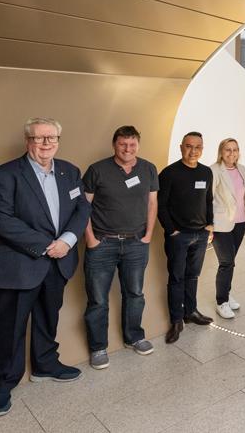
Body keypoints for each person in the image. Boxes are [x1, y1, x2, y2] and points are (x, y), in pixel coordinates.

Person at [0, 118, 91, 417]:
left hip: (59, 261)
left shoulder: (70, 171)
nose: (47, 143)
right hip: (19, 265)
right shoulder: (3, 176)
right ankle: (1, 383)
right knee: (10, 326)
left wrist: (68, 241)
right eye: (40, 138)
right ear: (27, 140)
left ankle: (45, 364)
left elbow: (83, 208)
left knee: (48, 316)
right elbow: (2, 220)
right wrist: (48, 245)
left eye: (52, 137)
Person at [83, 125, 158, 370]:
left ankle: (134, 336)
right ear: (114, 144)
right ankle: (98, 347)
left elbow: (152, 203)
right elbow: (83, 208)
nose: (128, 148)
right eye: (123, 144)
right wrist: (90, 239)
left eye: (132, 144)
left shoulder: (148, 169)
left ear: (138, 144)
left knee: (135, 293)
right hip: (103, 243)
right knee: (98, 299)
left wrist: (148, 234)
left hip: (136, 243)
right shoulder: (97, 170)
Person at [158, 131, 214, 344]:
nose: (193, 151)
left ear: (202, 148)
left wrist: (209, 226)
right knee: (176, 278)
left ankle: (190, 312)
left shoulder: (206, 172)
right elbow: (160, 205)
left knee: (193, 276)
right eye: (189, 146)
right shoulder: (170, 173)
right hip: (178, 237)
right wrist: (171, 230)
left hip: (200, 235)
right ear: (181, 147)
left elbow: (208, 200)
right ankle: (175, 320)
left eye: (197, 147)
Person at [210, 138, 245, 319]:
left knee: (231, 261)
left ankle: (226, 293)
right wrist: (209, 225)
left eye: (235, 150)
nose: (231, 153)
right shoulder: (214, 170)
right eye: (228, 150)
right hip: (222, 224)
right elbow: (208, 198)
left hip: (241, 222)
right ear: (221, 151)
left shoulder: (241, 169)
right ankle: (221, 302)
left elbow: (244, 196)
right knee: (226, 263)